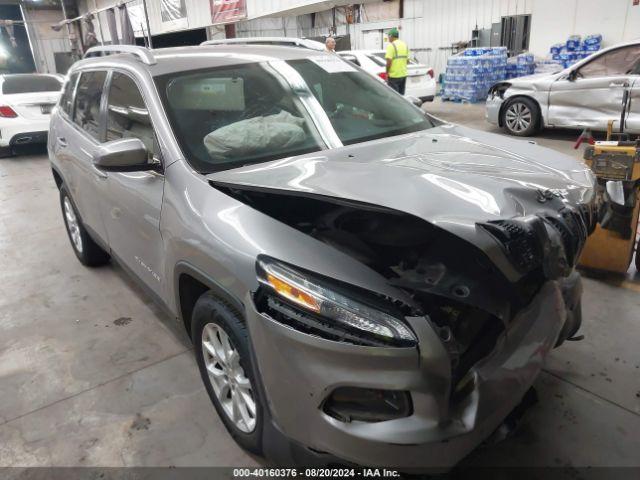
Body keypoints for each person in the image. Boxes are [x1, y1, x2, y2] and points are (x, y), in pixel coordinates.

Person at [385, 27, 410, 95]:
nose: (388, 38)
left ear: (391, 36)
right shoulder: (405, 45)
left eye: (388, 36)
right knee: (401, 97)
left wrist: (387, 73)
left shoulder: (391, 45)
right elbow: (408, 61)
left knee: (394, 97)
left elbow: (389, 62)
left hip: (394, 76)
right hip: (403, 75)